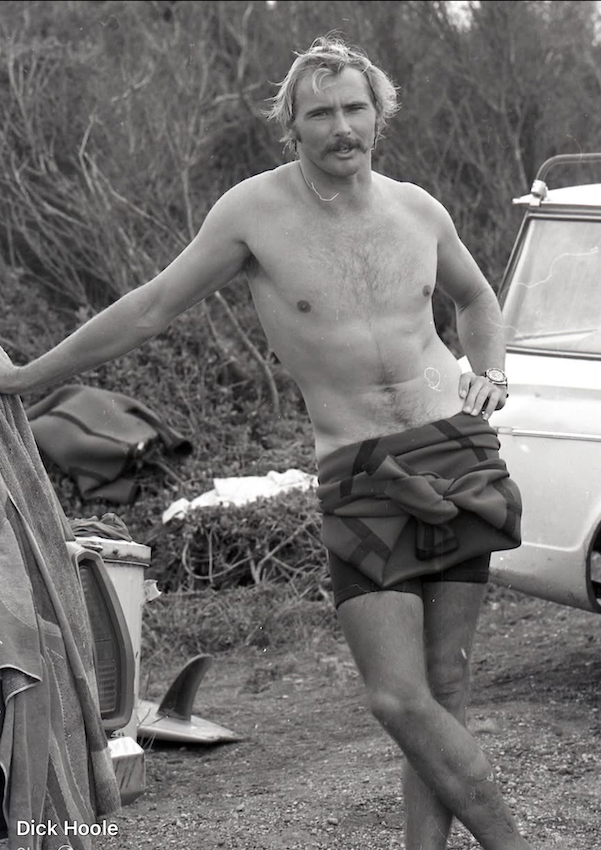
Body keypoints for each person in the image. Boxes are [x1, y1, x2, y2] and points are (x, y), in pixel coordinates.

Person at [0, 35, 532, 850]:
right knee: (396, 699)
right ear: (292, 124)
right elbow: (150, 308)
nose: (341, 127)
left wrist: (489, 372)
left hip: (455, 452)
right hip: (360, 472)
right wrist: (27, 376)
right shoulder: (253, 214)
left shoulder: (419, 208)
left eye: (354, 108)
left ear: (378, 113)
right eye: (320, 113)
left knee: (446, 688)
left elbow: (476, 300)